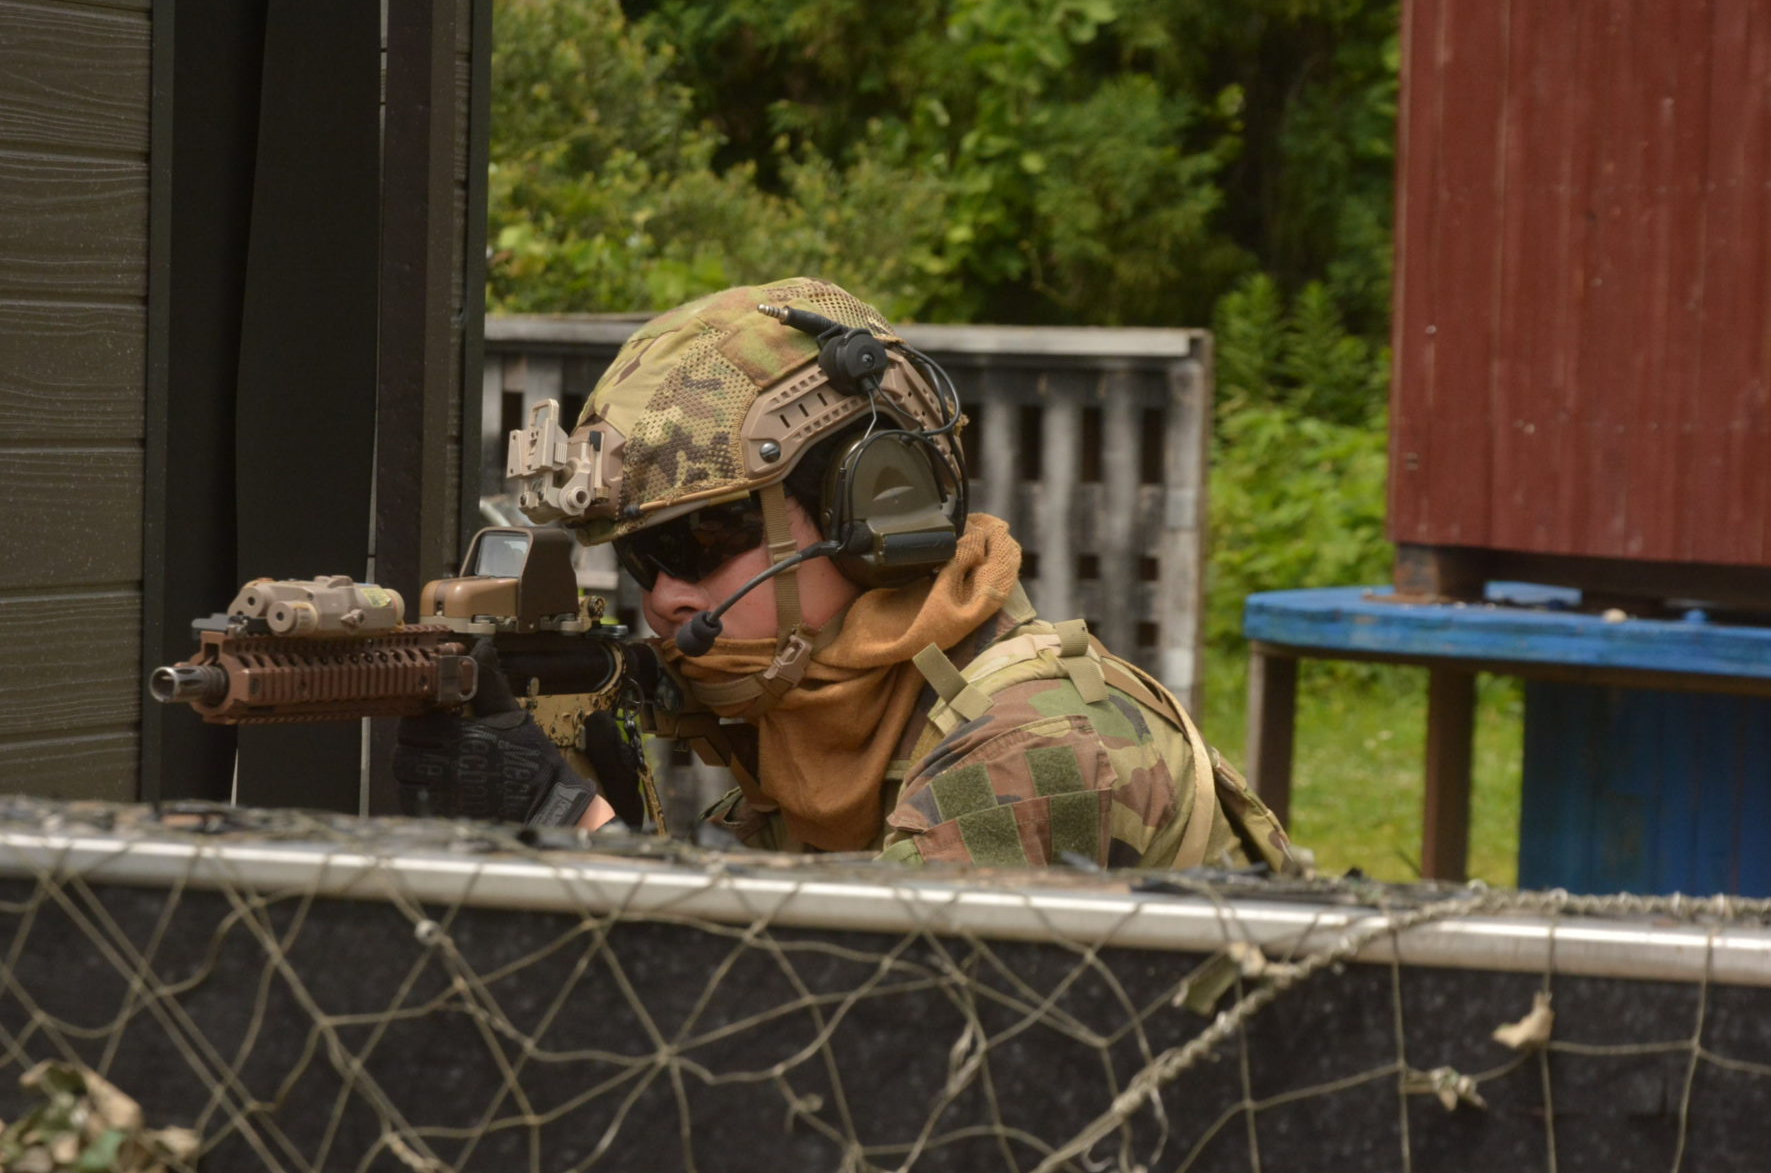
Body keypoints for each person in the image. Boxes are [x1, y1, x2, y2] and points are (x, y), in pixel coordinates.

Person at [395, 277, 1300, 874]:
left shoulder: (1032, 744)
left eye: (704, 540)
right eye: (641, 559)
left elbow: (845, 1041)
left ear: (868, 505)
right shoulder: (829, 719)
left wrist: (577, 829)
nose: (666, 596)